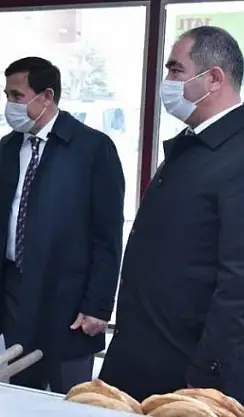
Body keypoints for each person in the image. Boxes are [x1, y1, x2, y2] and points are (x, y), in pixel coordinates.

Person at [100, 26, 244, 402]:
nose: (167, 82)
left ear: (214, 79)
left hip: (190, 375)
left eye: (176, 70)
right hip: (142, 358)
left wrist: (207, 375)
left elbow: (238, 284)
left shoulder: (237, 155)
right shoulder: (193, 145)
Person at [0, 57, 125, 394]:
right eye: (7, 95)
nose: (9, 104)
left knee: (70, 397)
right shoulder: (6, 149)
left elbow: (108, 235)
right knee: (21, 392)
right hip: (15, 291)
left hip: (69, 299)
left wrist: (98, 305)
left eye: (17, 96)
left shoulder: (92, 148)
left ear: (46, 96)